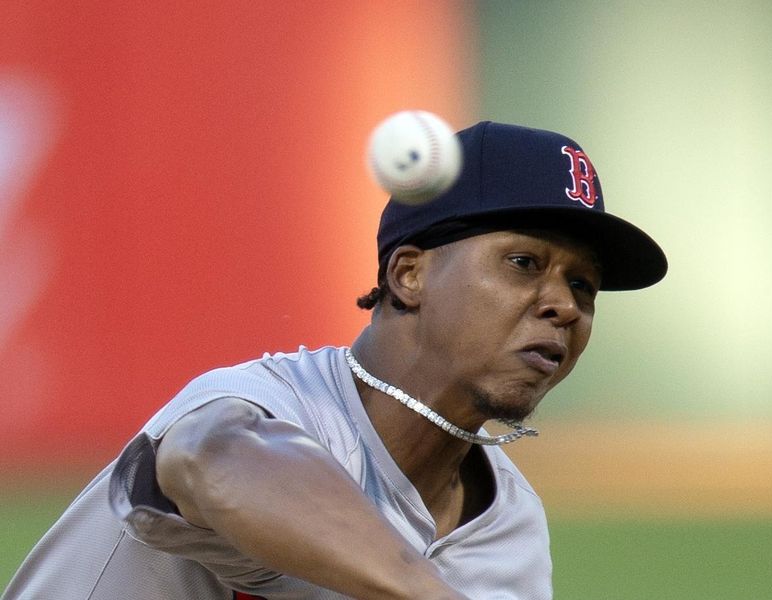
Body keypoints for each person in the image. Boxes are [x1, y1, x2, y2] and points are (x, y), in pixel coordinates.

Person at [2, 121, 667, 600]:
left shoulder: (509, 525)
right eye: (525, 263)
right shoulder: (263, 406)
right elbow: (207, 459)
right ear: (409, 275)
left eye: (583, 284)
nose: (563, 305)